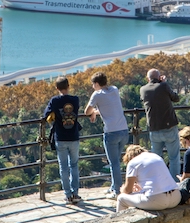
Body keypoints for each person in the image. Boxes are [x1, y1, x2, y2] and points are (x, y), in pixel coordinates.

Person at [85, 72, 130, 200]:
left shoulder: (97, 95)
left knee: (114, 163)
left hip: (111, 132)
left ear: (97, 84)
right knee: (116, 162)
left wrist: (93, 112)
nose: (93, 87)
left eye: (93, 84)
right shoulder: (114, 89)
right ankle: (113, 186)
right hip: (124, 130)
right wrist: (97, 112)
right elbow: (109, 108)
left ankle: (117, 191)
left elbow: (87, 111)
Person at [45, 76, 82, 205]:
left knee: (64, 167)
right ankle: (76, 193)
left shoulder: (54, 101)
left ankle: (67, 195)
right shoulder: (75, 100)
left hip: (60, 138)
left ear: (57, 88)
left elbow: (46, 115)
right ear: (68, 86)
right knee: (74, 166)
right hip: (74, 136)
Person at [139, 68, 181, 180]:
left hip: (154, 129)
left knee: (156, 159)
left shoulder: (143, 89)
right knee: (174, 158)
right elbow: (176, 98)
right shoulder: (163, 86)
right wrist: (165, 83)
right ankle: (175, 183)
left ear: (148, 78)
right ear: (159, 77)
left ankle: (159, 182)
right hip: (169, 127)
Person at [116, 144, 181, 213]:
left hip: (157, 200)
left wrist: (123, 190)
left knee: (121, 198)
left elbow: (127, 190)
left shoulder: (133, 162)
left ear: (130, 157)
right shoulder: (156, 156)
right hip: (176, 197)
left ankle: (118, 222)